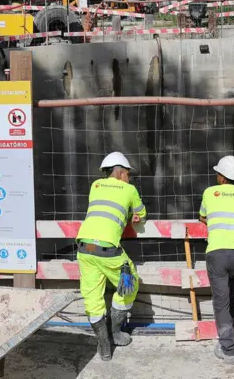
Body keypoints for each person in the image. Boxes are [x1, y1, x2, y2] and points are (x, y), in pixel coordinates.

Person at [78, 152, 146, 362]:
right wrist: (134, 215)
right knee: (130, 282)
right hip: (108, 249)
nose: (129, 178)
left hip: (84, 248)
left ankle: (104, 345)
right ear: (120, 173)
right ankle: (115, 332)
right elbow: (141, 213)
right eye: (127, 174)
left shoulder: (95, 186)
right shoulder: (129, 189)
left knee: (92, 298)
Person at [198, 155, 234, 365]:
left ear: (223, 178)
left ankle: (229, 350)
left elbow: (202, 216)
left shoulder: (209, 193)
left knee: (220, 301)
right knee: (233, 276)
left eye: (218, 174)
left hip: (217, 253)